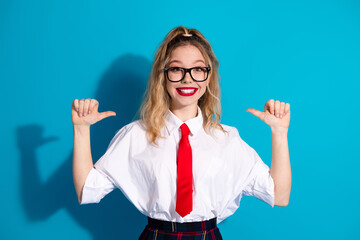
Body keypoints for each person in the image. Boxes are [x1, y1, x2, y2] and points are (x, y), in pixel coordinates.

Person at [71, 26, 291, 240]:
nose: (188, 78)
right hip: (157, 235)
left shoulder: (228, 139)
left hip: (208, 235)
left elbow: (279, 195)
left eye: (198, 69)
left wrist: (279, 133)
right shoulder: (135, 135)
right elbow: (87, 190)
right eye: (176, 69)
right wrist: (81, 130)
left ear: (208, 76)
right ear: (163, 76)